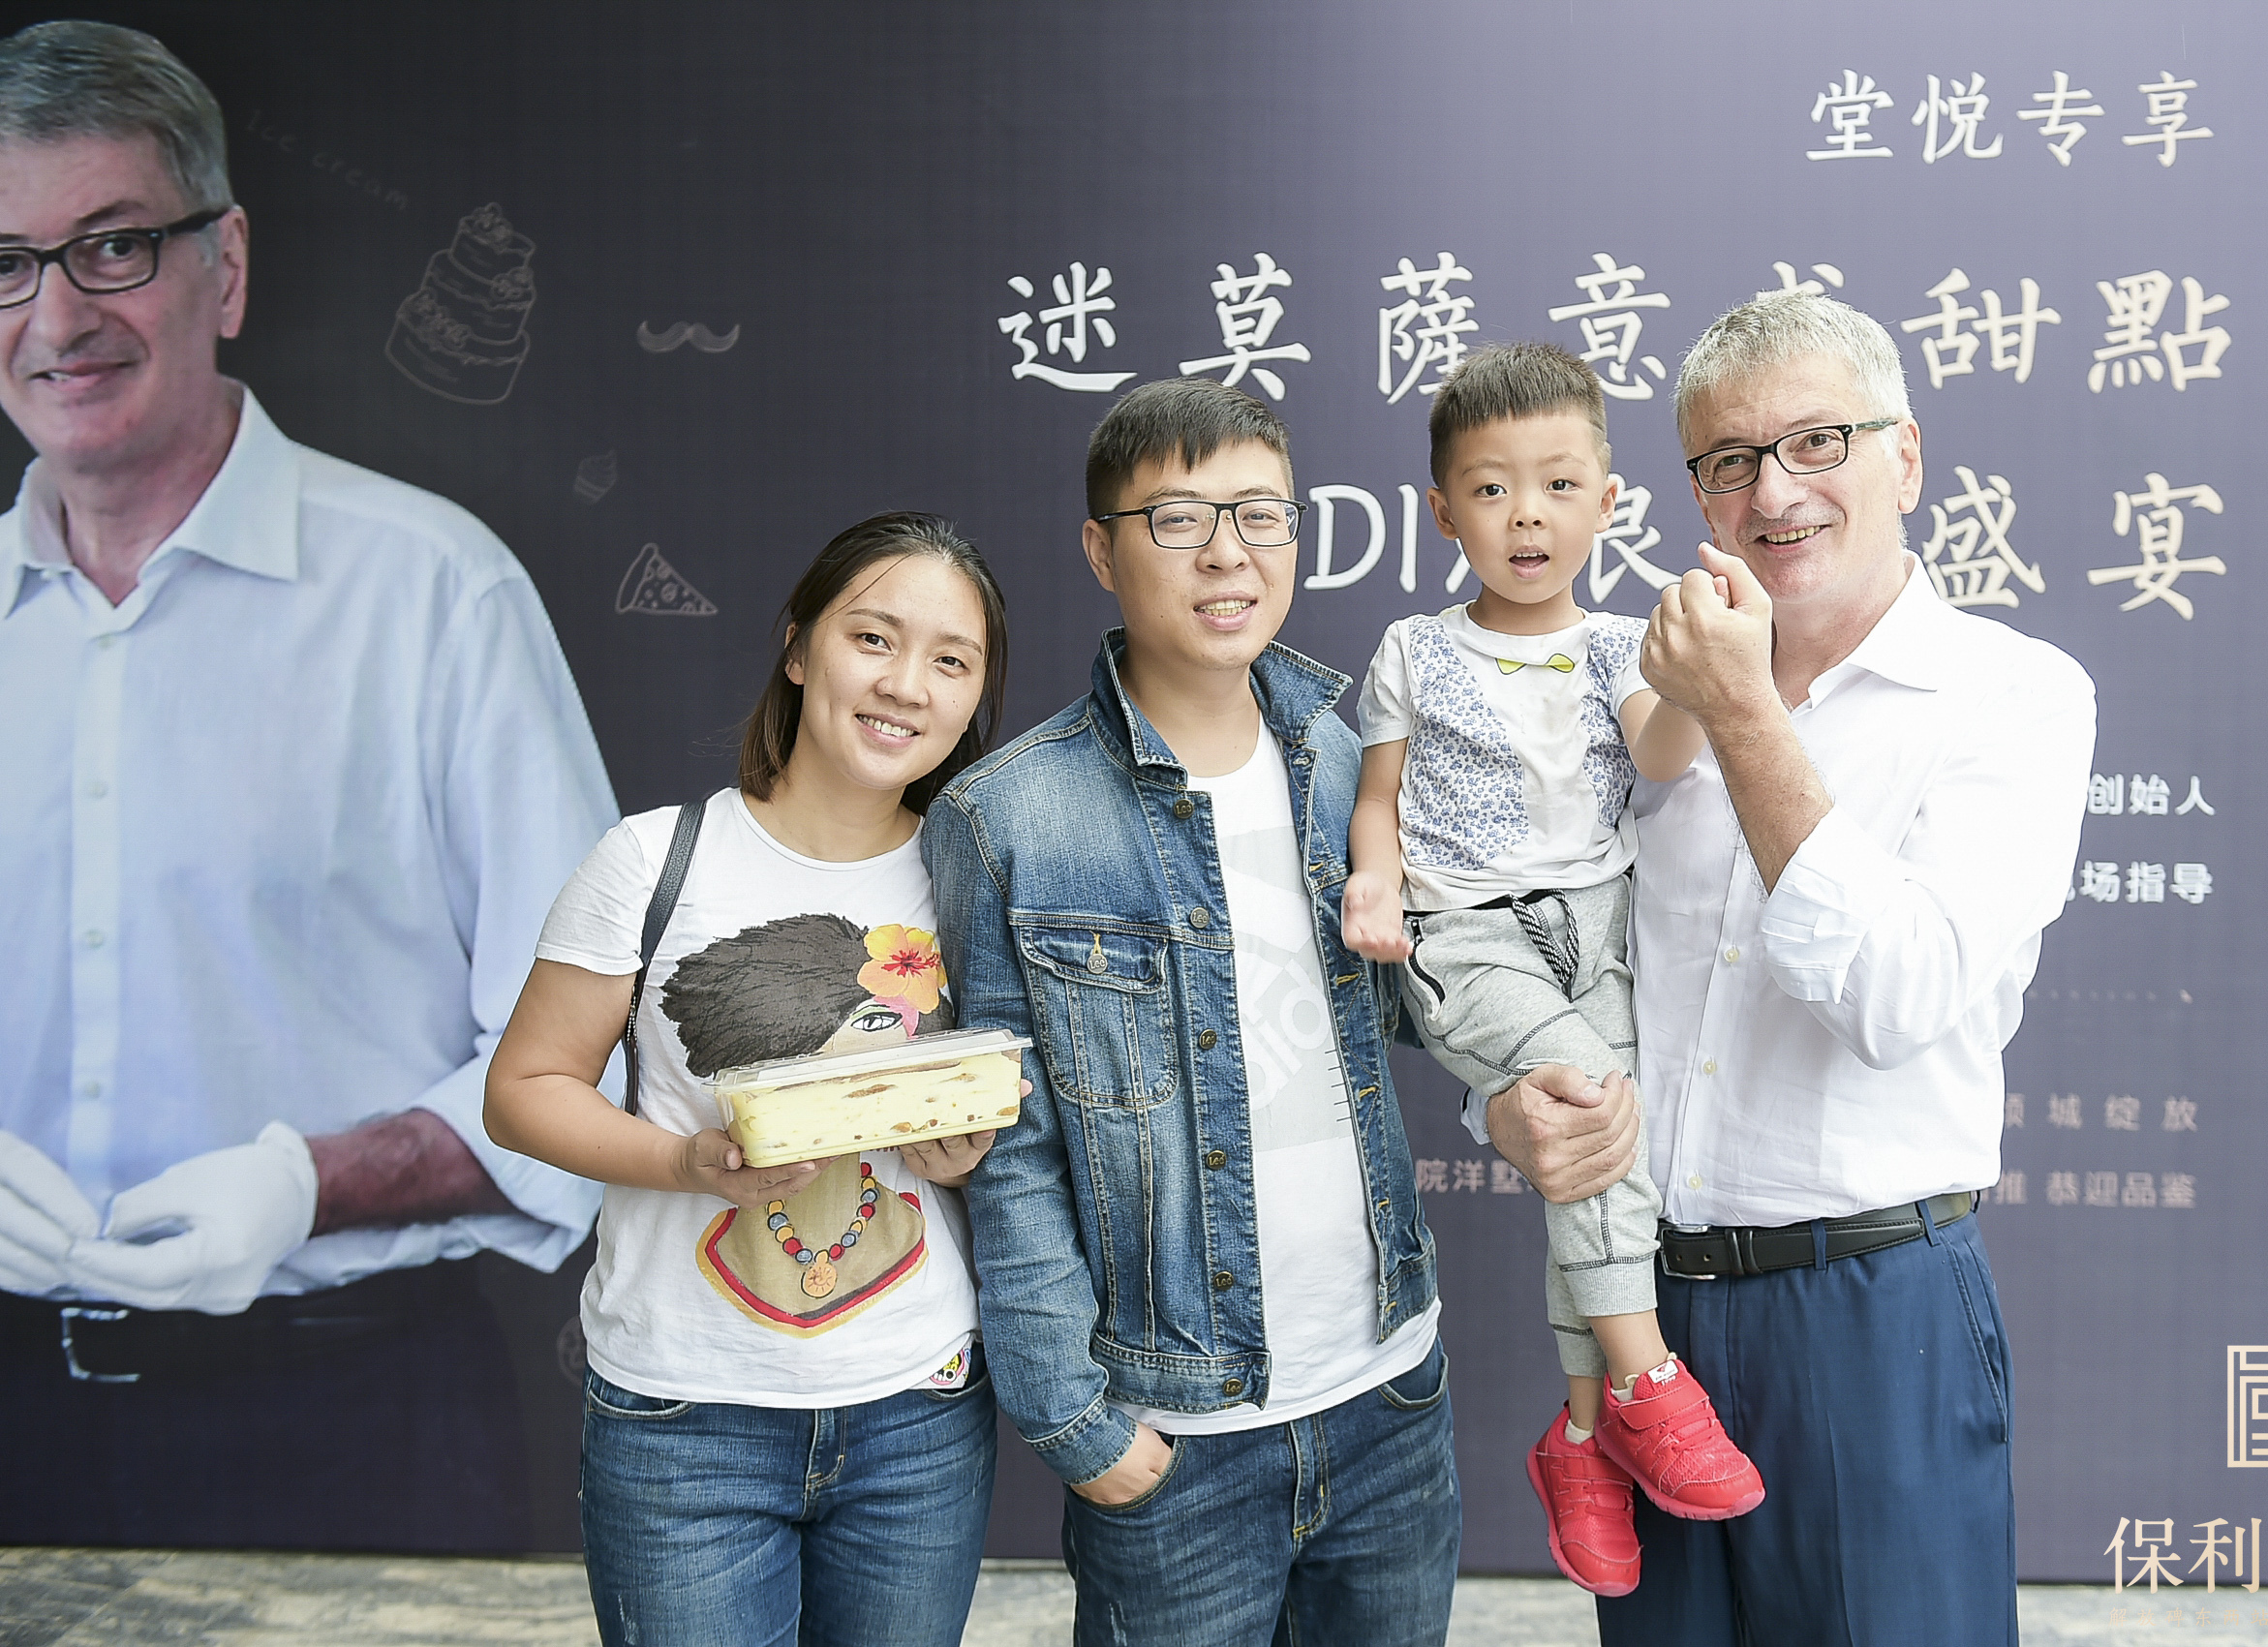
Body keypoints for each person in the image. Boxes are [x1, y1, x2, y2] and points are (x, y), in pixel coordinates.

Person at [0, 20, 614, 1547]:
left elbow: (591, 1062)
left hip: (349, 1420)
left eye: (112, 247)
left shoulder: (434, 596)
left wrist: (310, 1181)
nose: (56, 316)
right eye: (6, 264)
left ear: (226, 265)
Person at [1481, 290, 2096, 1644]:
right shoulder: (1639, 703)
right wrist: (1506, 1101)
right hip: (1649, 1323)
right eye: (1728, 461)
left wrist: (1744, 709)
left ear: (1906, 457)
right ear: (1696, 494)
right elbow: (1540, 947)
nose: (1775, 491)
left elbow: (1897, 996)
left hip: (1873, 1308)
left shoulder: (2013, 695)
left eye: (1819, 441)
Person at [924, 378, 1458, 1646]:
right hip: (1176, 1441)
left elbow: (1433, 1008)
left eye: (1261, 514)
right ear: (1101, 548)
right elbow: (1009, 1150)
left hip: (1390, 1400)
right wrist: (1077, 1422)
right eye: (1179, 519)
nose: (1229, 553)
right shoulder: (1009, 817)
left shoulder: (1353, 765)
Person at [484, 512, 1013, 1647]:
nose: (905, 685)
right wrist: (683, 1161)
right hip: (685, 1416)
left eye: (950, 660)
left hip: (917, 1408)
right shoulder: (653, 860)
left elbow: (1027, 1124)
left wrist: (968, 1161)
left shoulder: (979, 879)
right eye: (872, 638)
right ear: (797, 648)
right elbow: (524, 1088)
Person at [1340, 342, 1761, 1599]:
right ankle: (1643, 1381)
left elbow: (1666, 757)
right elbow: (1379, 797)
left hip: (1602, 924)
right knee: (1586, 1103)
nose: (1526, 516)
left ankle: (1581, 1440)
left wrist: (1693, 680)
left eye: (1558, 485)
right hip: (1468, 933)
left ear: (1607, 501)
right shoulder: (1413, 649)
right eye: (1491, 489)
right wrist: (1373, 881)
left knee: (1595, 1156)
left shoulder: (1623, 645)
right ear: (1443, 511)